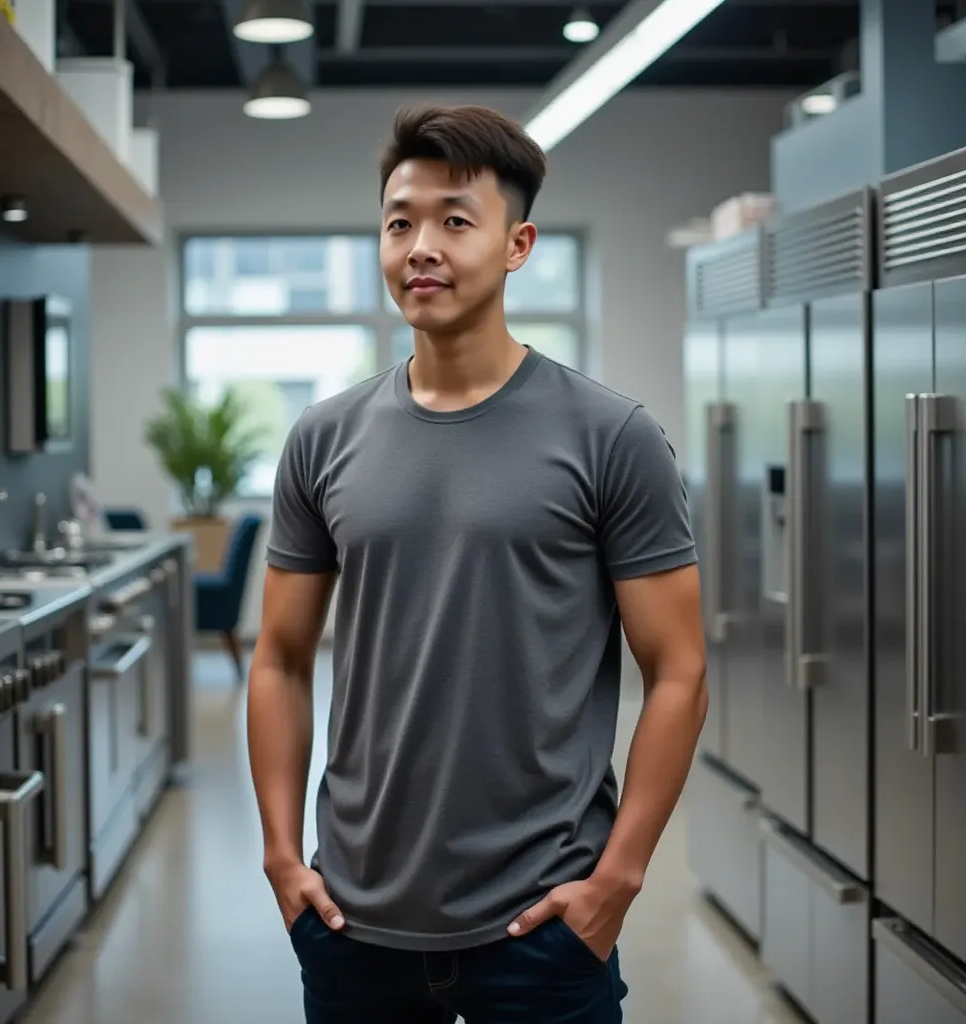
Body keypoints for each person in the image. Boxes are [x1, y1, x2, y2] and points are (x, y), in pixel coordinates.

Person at [247, 104, 708, 1024]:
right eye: (399, 221)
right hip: (353, 922)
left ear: (517, 244)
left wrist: (616, 880)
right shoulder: (323, 438)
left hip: (541, 926)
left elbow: (680, 669)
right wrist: (281, 856)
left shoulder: (610, 436)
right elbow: (280, 659)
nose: (422, 245)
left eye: (455, 220)